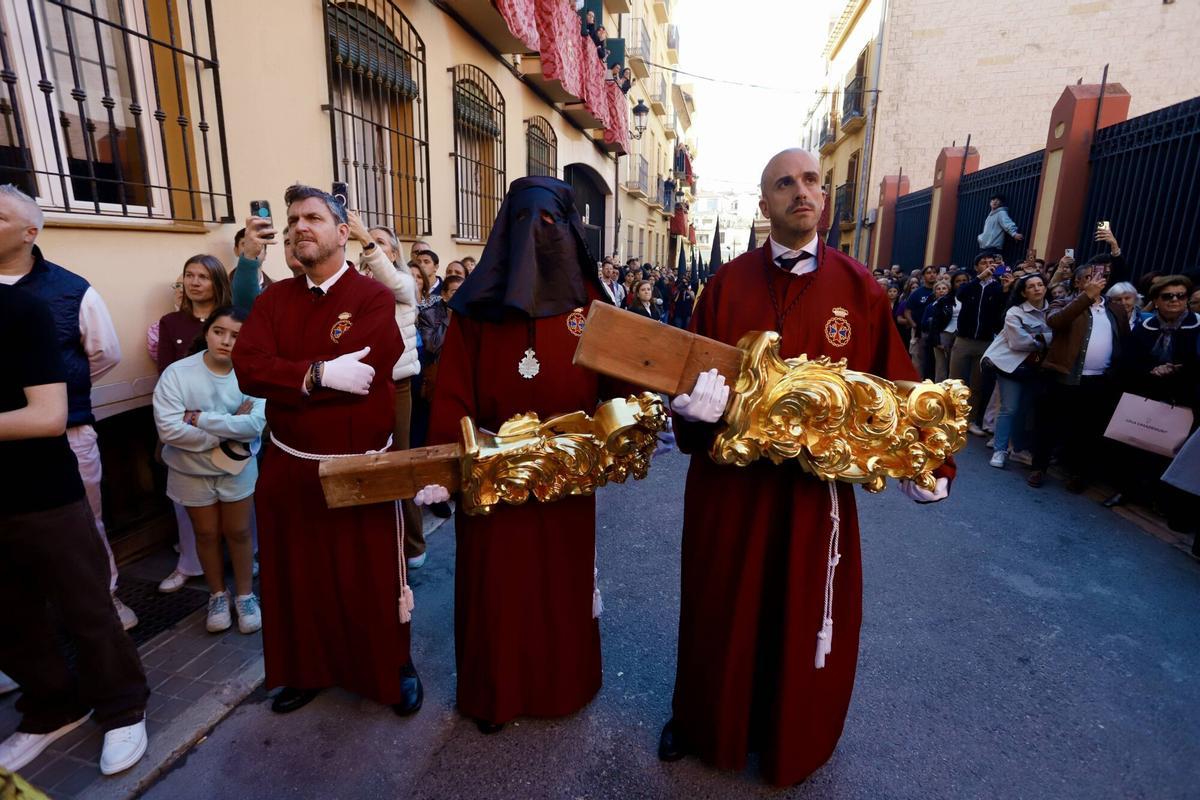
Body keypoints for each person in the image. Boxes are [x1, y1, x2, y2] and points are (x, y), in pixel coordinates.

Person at [657, 149, 953, 786]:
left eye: (812, 181)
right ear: (764, 204)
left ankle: (797, 734)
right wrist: (686, 406)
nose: (802, 191)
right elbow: (682, 373)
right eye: (784, 183)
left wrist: (931, 459)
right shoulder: (726, 285)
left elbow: (898, 385)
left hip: (812, 496)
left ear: (825, 199)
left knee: (801, 610)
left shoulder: (860, 289)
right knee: (717, 603)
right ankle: (703, 718)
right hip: (729, 488)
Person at [416, 176, 623, 735]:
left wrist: (636, 414)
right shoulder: (476, 307)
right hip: (492, 470)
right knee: (497, 589)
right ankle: (495, 692)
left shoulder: (589, 301)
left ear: (568, 230)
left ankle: (565, 684)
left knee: (560, 584)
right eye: (525, 220)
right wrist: (442, 464)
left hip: (568, 474)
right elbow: (454, 389)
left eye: (550, 222)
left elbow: (621, 380)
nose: (538, 234)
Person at [231, 184, 421, 717]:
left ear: (342, 232)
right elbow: (249, 367)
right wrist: (316, 373)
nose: (299, 227)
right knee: (300, 576)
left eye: (312, 217)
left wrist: (290, 378)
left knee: (369, 576)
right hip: (291, 464)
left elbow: (367, 369)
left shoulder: (373, 297)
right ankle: (304, 669)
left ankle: (391, 666)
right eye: (293, 220)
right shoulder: (275, 300)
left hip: (360, 467)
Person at [0, 284, 149, 777]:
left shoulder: (21, 308)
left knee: (85, 604)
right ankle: (52, 707)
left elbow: (48, 414)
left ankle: (123, 706)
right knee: (10, 617)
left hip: (41, 491)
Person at [0, 185, 137, 631]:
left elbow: (104, 355)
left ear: (29, 232)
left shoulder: (70, 291)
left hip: (68, 432)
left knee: (85, 524)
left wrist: (61, 394)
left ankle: (106, 599)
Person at [153, 307, 265, 633]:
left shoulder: (253, 372)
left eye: (236, 335)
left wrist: (198, 418)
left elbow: (256, 422)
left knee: (240, 532)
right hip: (189, 470)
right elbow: (169, 431)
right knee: (205, 534)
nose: (226, 341)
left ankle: (245, 595)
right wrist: (231, 427)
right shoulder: (177, 373)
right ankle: (217, 594)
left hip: (237, 468)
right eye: (219, 331)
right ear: (207, 331)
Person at [349, 218, 426, 568]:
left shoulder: (405, 283)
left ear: (392, 252)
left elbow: (392, 282)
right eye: (368, 243)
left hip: (397, 387)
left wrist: (365, 238)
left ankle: (413, 544)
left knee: (398, 461)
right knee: (365, 462)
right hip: (359, 386)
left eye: (380, 242)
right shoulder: (357, 285)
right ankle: (376, 540)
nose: (371, 247)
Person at [1027, 263, 1129, 490]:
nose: (1095, 281)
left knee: (1086, 429)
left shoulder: (1115, 309)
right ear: (1077, 282)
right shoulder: (1062, 302)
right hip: (1064, 376)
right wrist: (1086, 298)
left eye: (1100, 277)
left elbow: (1123, 339)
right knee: (1049, 425)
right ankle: (1038, 467)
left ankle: (1077, 473)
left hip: (1099, 380)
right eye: (1088, 277)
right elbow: (1055, 321)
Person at [1105, 276, 1198, 524]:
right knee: (1135, 445)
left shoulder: (1197, 326)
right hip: (1146, 395)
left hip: (1182, 399)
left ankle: (1160, 500)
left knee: (1171, 451)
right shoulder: (1145, 327)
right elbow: (1128, 361)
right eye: (1168, 296)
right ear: (1156, 301)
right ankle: (1127, 490)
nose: (1175, 300)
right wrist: (1152, 369)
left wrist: (1179, 370)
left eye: (1180, 295)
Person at [981, 275, 1052, 468]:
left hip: (1036, 368)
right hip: (1009, 366)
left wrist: (1038, 337)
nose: (1037, 289)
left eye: (1040, 285)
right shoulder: (1014, 312)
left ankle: (1018, 450)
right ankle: (1000, 450)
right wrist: (1044, 339)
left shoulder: (1054, 310)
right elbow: (1018, 341)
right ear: (1023, 292)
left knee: (1025, 411)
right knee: (1009, 408)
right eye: (1031, 286)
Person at [950, 252, 1006, 436]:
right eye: (984, 263)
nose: (988, 265)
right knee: (955, 381)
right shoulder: (970, 286)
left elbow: (1002, 309)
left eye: (992, 263)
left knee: (977, 385)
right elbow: (960, 294)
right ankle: (950, 417)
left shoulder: (997, 287)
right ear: (976, 267)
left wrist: (1006, 285)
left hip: (984, 342)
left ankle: (970, 420)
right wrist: (978, 279)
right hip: (963, 340)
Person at [157, 255, 232, 372]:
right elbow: (165, 372)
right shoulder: (170, 322)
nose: (194, 283)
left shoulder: (233, 320)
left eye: (203, 277)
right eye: (189, 275)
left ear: (218, 283)